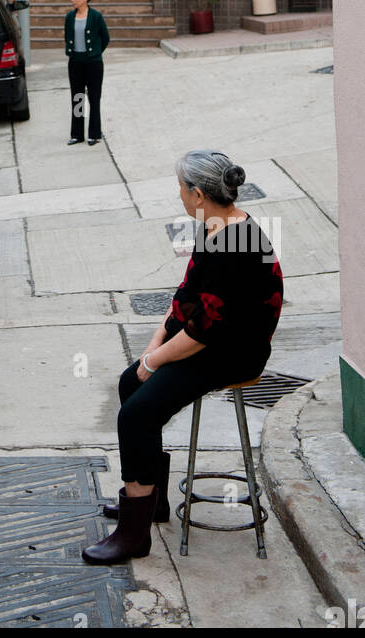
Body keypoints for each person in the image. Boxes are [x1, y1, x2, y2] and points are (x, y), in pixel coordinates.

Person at [82, 150, 283, 566]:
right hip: (209, 339)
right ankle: (149, 500)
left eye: (179, 188)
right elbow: (188, 296)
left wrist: (153, 362)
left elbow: (202, 332)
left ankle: (134, 536)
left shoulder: (235, 244)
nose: (178, 194)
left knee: (135, 415)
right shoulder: (216, 225)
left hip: (234, 352)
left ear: (196, 193)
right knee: (128, 383)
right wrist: (156, 341)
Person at [64, 0, 109, 146]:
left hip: (93, 64)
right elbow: (67, 37)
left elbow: (105, 38)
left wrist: (95, 53)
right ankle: (77, 134)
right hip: (75, 63)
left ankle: (94, 134)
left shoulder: (96, 16)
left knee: (94, 98)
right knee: (77, 98)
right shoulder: (70, 17)